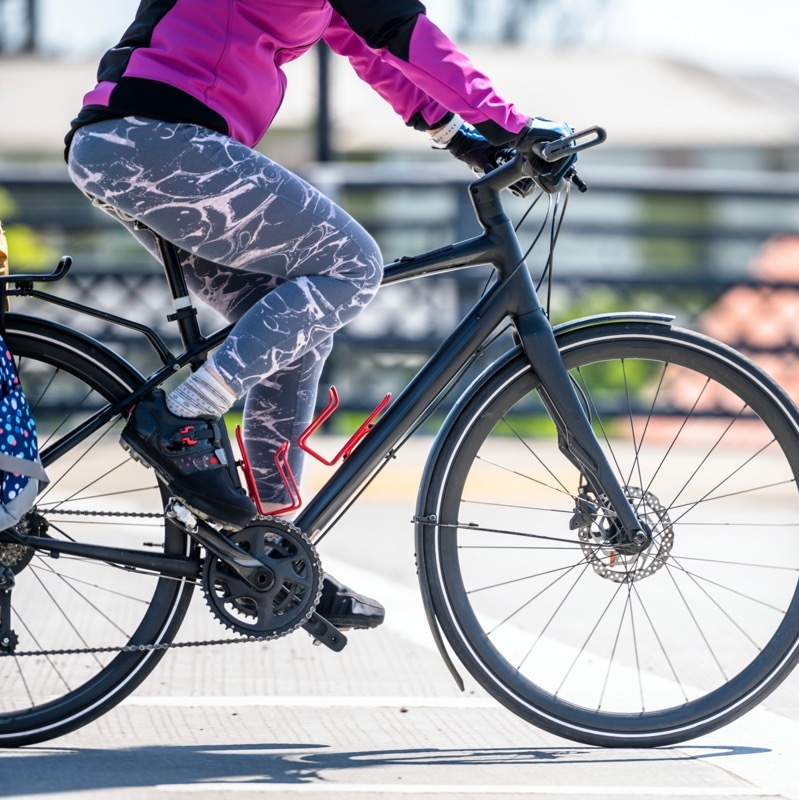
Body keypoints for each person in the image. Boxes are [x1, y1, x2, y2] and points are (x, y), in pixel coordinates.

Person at [64, 1, 576, 632]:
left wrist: (458, 137)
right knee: (353, 263)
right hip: (158, 139)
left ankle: (270, 550)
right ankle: (184, 412)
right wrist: (512, 123)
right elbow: (397, 27)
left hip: (135, 143)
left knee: (289, 322)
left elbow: (368, 47)